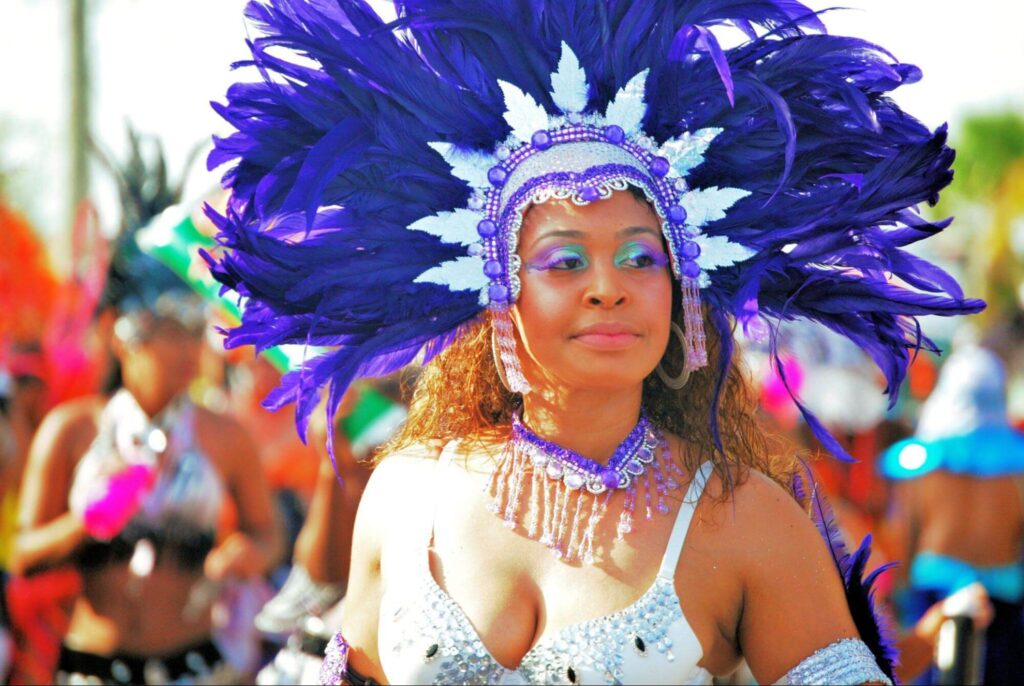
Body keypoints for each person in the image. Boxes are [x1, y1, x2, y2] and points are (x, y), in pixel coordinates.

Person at [206, 1, 983, 683]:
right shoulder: (407, 495)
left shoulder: (741, 521)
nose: (607, 286)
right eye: (564, 259)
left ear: (680, 290)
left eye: (642, 257)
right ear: (497, 287)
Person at [11, 132, 283, 685]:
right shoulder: (72, 431)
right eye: (167, 329)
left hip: (195, 666)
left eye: (192, 328)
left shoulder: (223, 435)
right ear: (120, 334)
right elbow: (20, 553)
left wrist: (241, 555)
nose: (187, 349)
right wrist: (82, 524)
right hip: (90, 669)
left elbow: (268, 532)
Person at [881, 346, 1024, 684]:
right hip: (1001, 597)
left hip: (934, 593)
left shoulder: (921, 460)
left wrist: (898, 597)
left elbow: (905, 534)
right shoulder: (1017, 463)